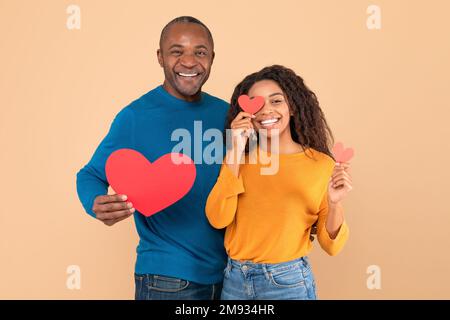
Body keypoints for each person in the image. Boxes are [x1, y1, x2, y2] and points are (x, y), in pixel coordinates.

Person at [76, 16, 228, 300]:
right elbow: (90, 174)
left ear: (212, 58)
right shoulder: (136, 116)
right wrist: (94, 203)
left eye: (200, 51)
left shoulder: (227, 114)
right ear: (160, 57)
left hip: (231, 276)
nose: (189, 61)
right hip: (167, 280)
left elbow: (255, 177)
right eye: (176, 51)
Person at [205, 65, 352, 300]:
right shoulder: (238, 159)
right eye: (256, 103)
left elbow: (331, 246)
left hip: (287, 283)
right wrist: (235, 149)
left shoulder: (321, 165)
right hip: (235, 280)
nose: (266, 110)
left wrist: (335, 204)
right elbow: (218, 218)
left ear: (292, 107)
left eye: (276, 101)